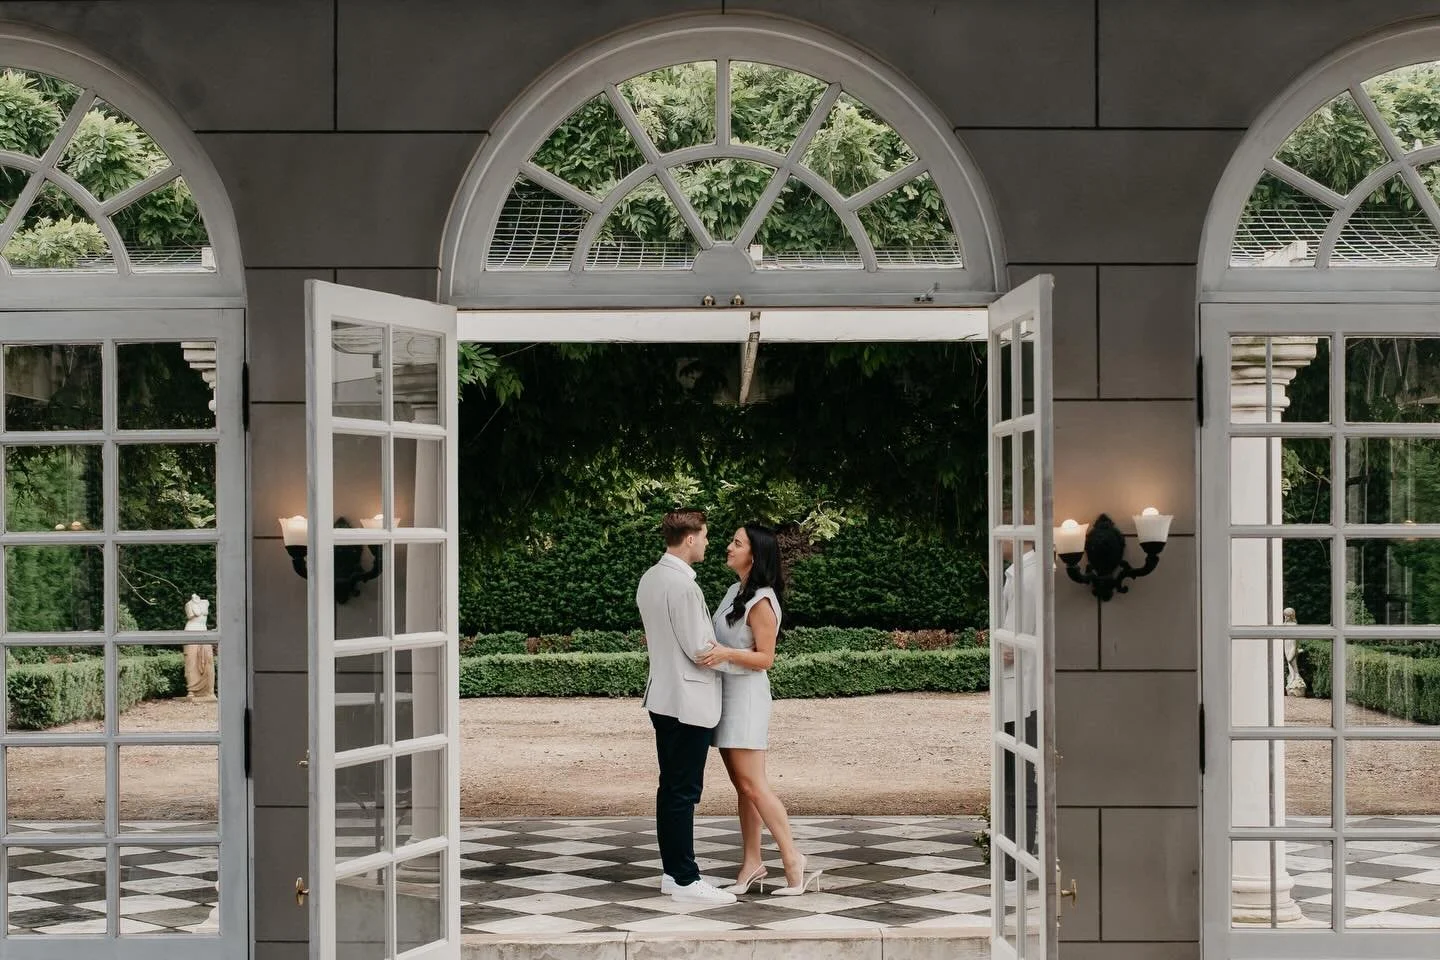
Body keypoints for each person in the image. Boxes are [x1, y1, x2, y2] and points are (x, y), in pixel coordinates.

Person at [696, 524, 822, 896]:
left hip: (747, 699)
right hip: (726, 695)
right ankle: (752, 863)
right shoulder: (734, 592)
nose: (728, 547)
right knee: (743, 787)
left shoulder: (762, 600)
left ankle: (793, 859)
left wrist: (725, 653)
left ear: (755, 554)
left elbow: (766, 658)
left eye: (737, 543)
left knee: (754, 785)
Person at [635, 508, 737, 905]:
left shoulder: (650, 578)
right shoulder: (683, 586)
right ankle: (684, 878)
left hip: (663, 697)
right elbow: (701, 650)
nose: (709, 543)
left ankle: (673, 874)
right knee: (683, 791)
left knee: (672, 788)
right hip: (687, 702)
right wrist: (743, 660)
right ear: (690, 538)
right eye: (706, 536)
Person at [998, 541, 1040, 883]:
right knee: (1017, 778)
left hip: (1023, 695)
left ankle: (1016, 861)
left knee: (1017, 780)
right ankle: (1016, 858)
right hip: (1023, 691)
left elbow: (1009, 647)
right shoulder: (1024, 573)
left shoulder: (1026, 575)